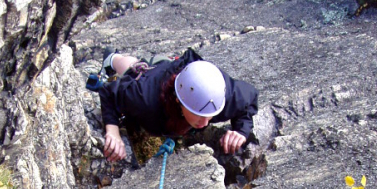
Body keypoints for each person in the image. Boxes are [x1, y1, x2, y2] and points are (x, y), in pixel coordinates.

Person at [97, 49, 258, 163]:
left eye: (210, 114)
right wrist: (113, 131)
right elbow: (109, 93)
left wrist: (241, 130)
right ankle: (112, 58)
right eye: (198, 114)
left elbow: (250, 100)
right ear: (178, 101)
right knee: (133, 67)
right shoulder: (144, 99)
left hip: (193, 73)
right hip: (155, 78)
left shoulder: (221, 96)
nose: (205, 122)